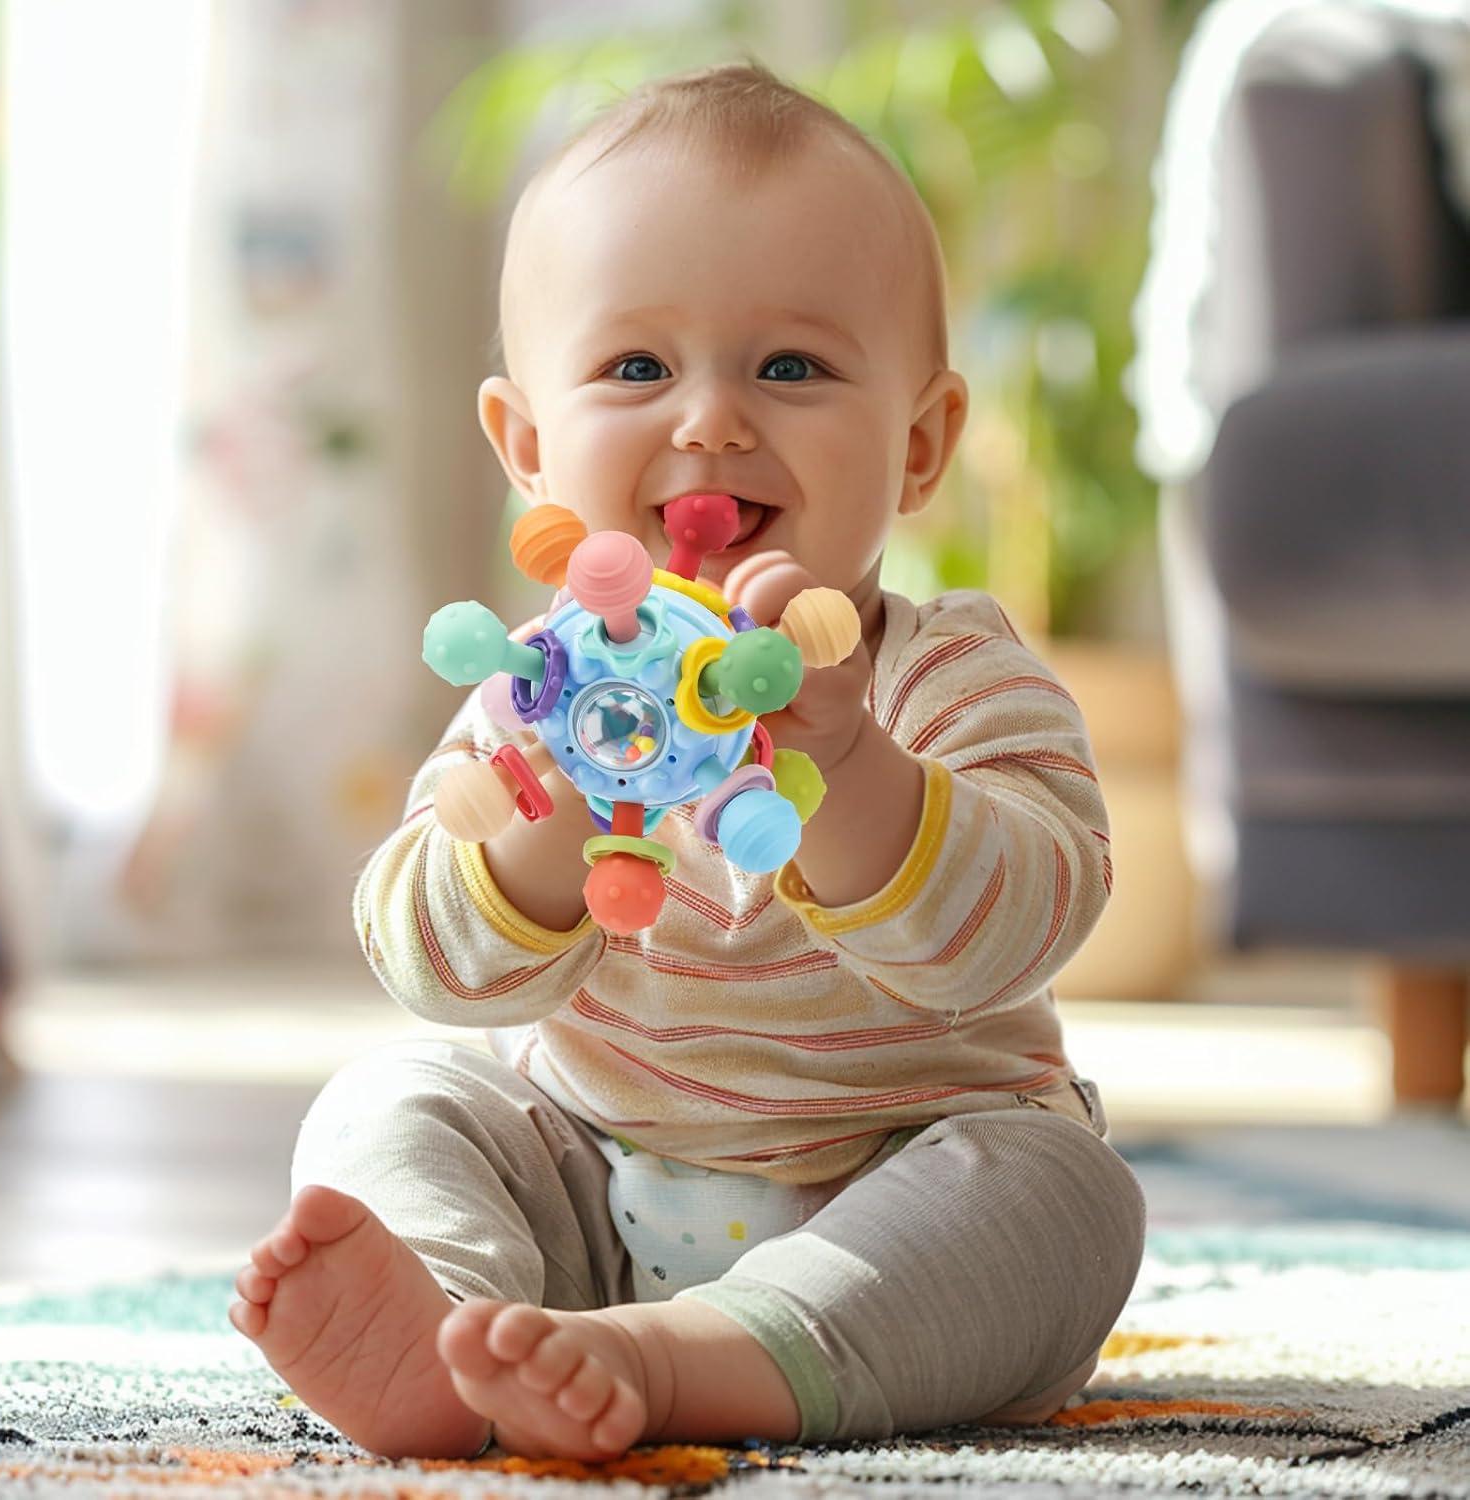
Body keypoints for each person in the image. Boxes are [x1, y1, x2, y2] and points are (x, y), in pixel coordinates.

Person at [228, 59, 1146, 1464]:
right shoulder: (543, 691)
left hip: (892, 1204)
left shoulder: (953, 674)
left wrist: (845, 757)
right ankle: (451, 1325)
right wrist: (566, 805)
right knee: (392, 1094)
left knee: (1065, 1193)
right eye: (638, 367)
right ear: (531, 448)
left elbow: (1015, 933)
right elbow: (434, 960)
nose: (710, 422)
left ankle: (680, 1362)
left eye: (791, 366)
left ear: (919, 444)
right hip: (584, 1191)